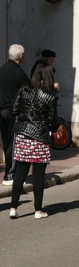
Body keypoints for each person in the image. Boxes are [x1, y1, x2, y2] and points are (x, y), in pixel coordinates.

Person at [10, 62, 59, 219]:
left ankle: (13, 208)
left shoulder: (23, 90)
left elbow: (14, 110)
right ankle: (38, 210)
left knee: (20, 173)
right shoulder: (50, 96)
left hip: (23, 134)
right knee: (38, 175)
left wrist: (24, 119)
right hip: (40, 137)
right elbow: (53, 122)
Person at [0, 44, 30, 186]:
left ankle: (11, 173)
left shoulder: (2, 69)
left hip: (2, 110)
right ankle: (10, 175)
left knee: (7, 142)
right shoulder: (18, 72)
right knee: (14, 143)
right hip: (13, 111)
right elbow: (28, 88)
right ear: (20, 56)